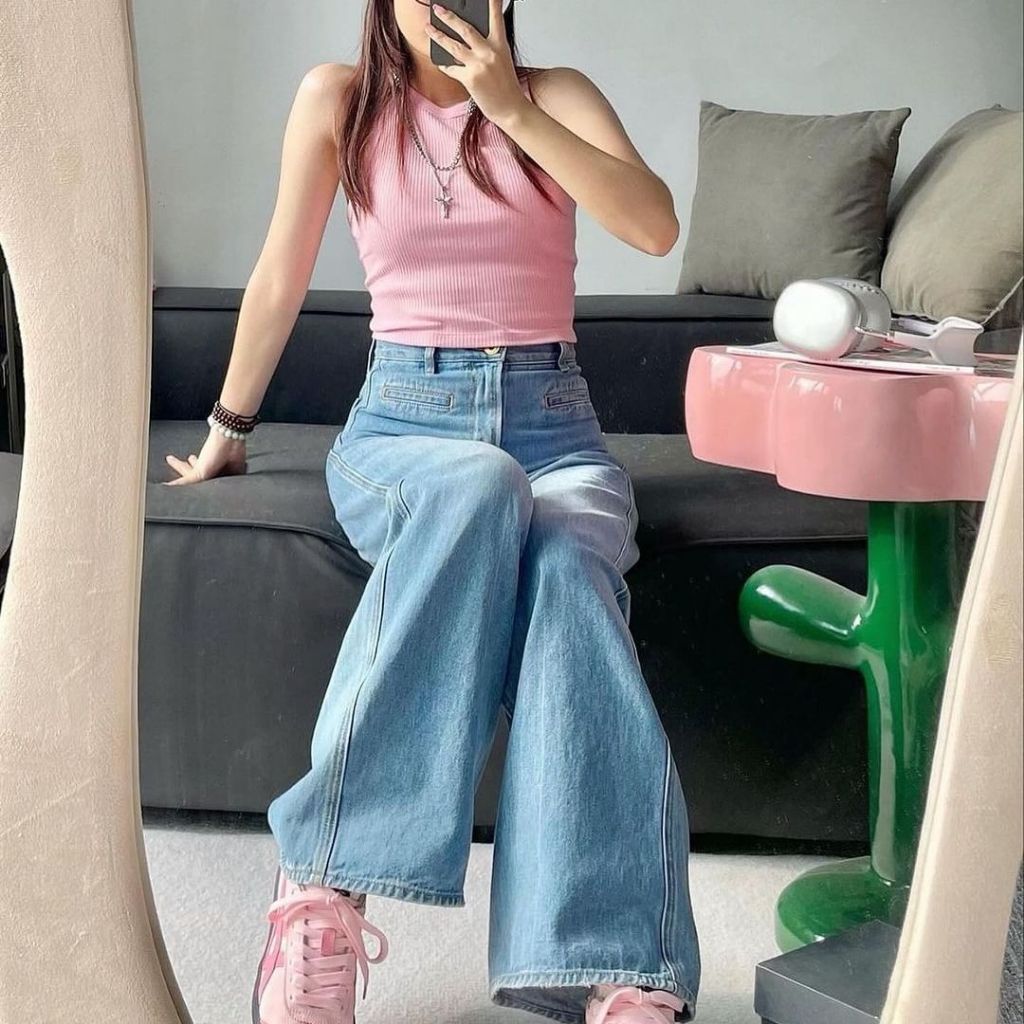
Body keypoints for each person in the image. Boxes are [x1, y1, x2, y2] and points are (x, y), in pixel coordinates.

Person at [164, 1, 701, 1021]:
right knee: (477, 483)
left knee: (565, 566)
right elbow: (280, 273)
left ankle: (624, 970)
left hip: (553, 428)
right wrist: (230, 423)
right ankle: (323, 881)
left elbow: (653, 224)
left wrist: (512, 110)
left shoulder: (554, 98)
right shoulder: (338, 101)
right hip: (404, 425)